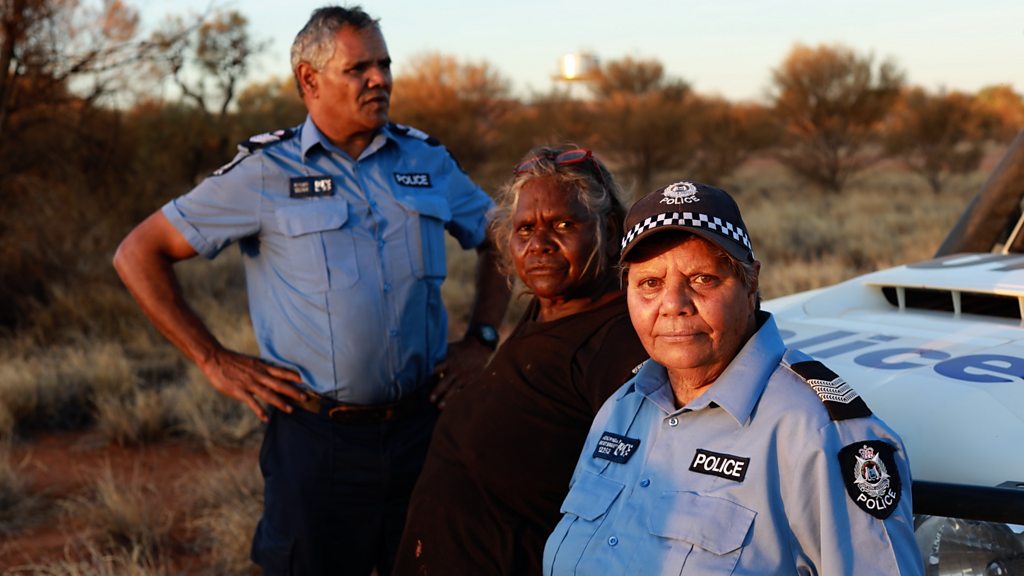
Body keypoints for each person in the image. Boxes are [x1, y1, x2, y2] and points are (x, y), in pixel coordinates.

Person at [112, 6, 509, 575]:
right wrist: (213, 359)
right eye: (360, 68)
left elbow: (499, 235)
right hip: (317, 441)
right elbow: (137, 252)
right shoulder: (263, 173)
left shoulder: (424, 160)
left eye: (385, 64)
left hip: (423, 431)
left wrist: (483, 338)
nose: (380, 79)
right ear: (309, 80)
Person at [544, 181, 923, 575]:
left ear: (750, 281)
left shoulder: (815, 432)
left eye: (702, 279)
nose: (673, 305)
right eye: (650, 284)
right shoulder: (622, 408)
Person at [393, 147, 648, 575]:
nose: (539, 244)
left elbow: (633, 504)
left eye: (564, 224)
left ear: (606, 228)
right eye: (524, 228)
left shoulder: (617, 339)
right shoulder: (550, 308)